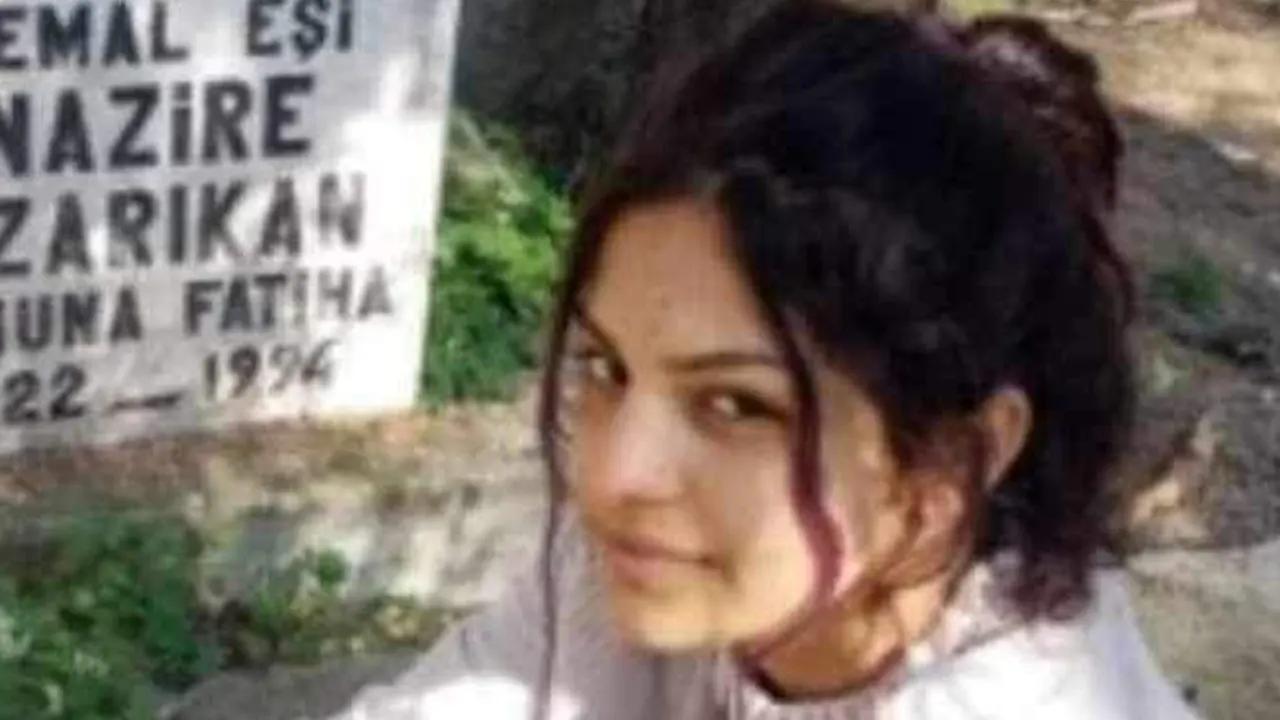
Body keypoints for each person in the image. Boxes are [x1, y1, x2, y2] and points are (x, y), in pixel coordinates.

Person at [336, 2, 1200, 718]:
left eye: (737, 405)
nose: (615, 473)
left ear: (951, 459)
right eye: (607, 368)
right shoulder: (643, 568)